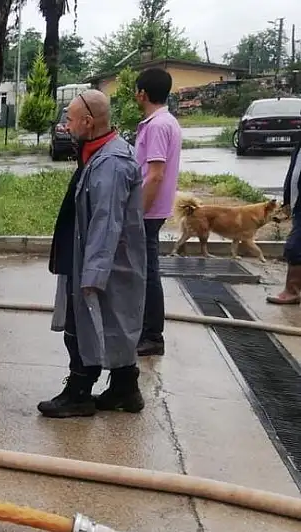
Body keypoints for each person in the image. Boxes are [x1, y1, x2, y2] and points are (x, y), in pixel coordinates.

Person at [38, 90, 147, 419]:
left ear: (87, 122)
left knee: (82, 323)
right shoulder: (98, 151)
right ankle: (125, 388)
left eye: (69, 119)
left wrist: (93, 275)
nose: (66, 125)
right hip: (90, 255)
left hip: (101, 261)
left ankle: (80, 392)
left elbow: (107, 222)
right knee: (113, 323)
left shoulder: (111, 163)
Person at [133, 68, 180, 357]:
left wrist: (138, 211)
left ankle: (152, 336)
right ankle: (145, 330)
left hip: (149, 211)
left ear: (143, 93)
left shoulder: (158, 126)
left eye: (136, 91)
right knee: (145, 270)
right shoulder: (163, 121)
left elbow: (155, 174)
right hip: (153, 209)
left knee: (148, 272)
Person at [267, 140, 301, 305]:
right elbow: (294, 172)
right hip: (298, 204)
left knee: (295, 247)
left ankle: (292, 291)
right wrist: (288, 201)